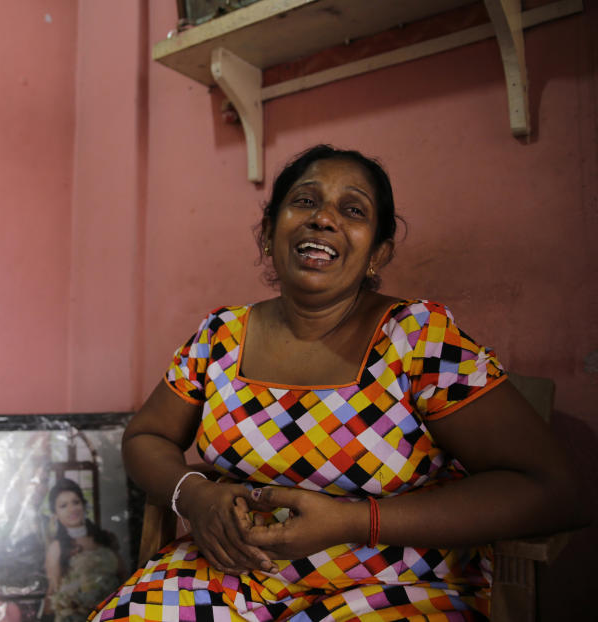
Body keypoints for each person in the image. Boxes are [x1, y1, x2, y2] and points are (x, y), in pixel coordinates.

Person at [91, 145, 588, 621]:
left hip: (395, 585)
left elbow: (552, 490)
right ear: (268, 233)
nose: (323, 218)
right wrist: (193, 495)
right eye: (304, 201)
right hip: (228, 575)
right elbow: (146, 437)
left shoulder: (419, 339)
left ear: (377, 252)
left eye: (353, 210)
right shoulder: (220, 335)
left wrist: (355, 523)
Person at [43, 478, 125, 622]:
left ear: (83, 505)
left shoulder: (105, 537)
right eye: (63, 505)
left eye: (76, 502)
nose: (72, 509)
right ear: (55, 514)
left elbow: (124, 576)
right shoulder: (57, 548)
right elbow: (54, 591)